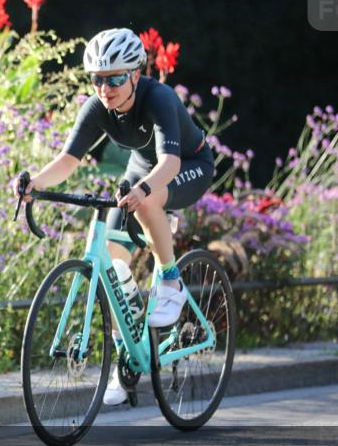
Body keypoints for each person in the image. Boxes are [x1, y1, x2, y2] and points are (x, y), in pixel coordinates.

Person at [15, 27, 214, 405]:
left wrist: (144, 191)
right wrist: (34, 183)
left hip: (189, 164)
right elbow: (67, 160)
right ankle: (129, 356)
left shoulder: (159, 98)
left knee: (150, 201)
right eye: (97, 80)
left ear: (136, 74)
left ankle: (170, 280)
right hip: (140, 170)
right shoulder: (96, 107)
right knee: (114, 266)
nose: (106, 88)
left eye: (116, 78)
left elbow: (170, 161)